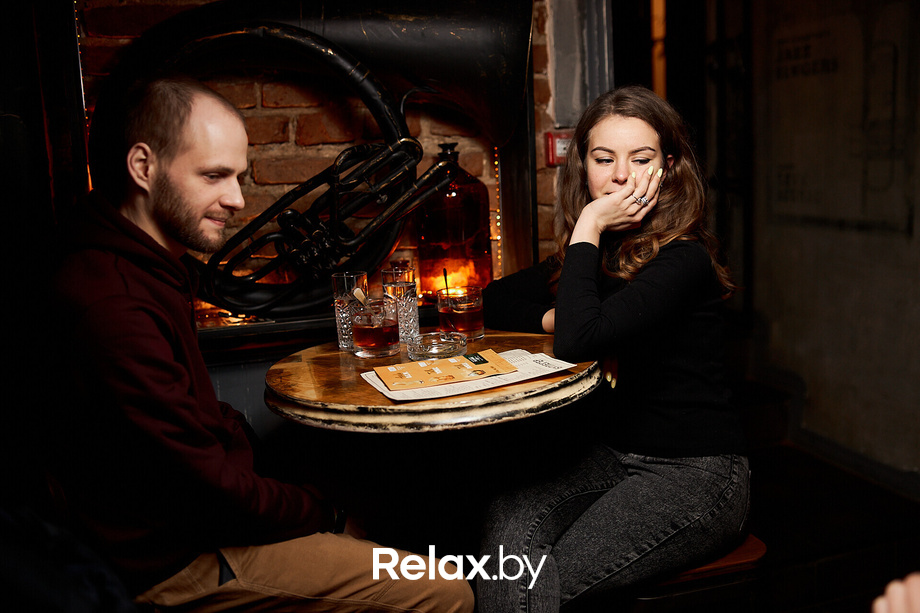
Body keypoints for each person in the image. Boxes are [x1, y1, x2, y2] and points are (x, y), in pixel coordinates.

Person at [45, 74, 473, 612]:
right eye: (213, 176)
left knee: (393, 500)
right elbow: (205, 492)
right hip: (173, 561)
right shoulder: (115, 304)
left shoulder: (142, 262)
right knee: (445, 594)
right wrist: (329, 516)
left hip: (199, 518)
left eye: (238, 176)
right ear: (142, 168)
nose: (237, 200)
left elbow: (194, 437)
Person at [476, 85, 749, 611]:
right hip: (609, 456)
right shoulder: (600, 256)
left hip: (694, 471)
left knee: (536, 581)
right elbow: (496, 299)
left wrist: (591, 222)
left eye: (640, 158)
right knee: (506, 523)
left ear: (667, 168)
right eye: (604, 159)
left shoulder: (683, 261)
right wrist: (559, 313)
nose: (621, 176)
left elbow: (579, 341)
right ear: (585, 167)